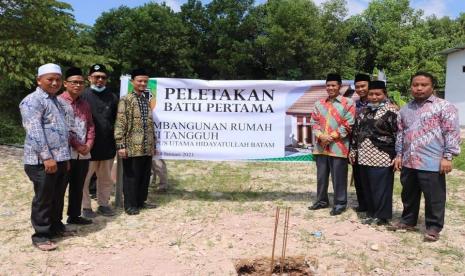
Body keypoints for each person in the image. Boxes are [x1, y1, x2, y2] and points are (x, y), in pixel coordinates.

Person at [393, 72, 460, 241]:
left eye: (424, 85)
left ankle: (433, 227)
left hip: (432, 161)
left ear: (432, 87)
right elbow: (401, 133)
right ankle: (408, 221)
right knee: (408, 194)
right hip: (409, 160)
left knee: (434, 198)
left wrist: (448, 156)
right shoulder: (405, 109)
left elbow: (451, 132)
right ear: (411, 87)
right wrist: (399, 155)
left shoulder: (444, 107)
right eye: (415, 85)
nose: (419, 88)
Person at [20, 63, 72, 251]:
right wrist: (47, 157)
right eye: (50, 79)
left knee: (57, 196)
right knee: (44, 198)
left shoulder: (57, 101)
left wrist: (65, 159)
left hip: (60, 159)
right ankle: (41, 235)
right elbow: (34, 131)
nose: (55, 82)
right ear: (39, 80)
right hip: (41, 161)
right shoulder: (32, 101)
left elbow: (64, 131)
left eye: (58, 79)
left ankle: (56, 226)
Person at [349, 80, 398, 225]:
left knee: (381, 187)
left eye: (378, 94)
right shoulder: (363, 112)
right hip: (364, 155)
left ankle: (382, 216)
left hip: (383, 156)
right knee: (367, 186)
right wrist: (353, 151)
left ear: (385, 94)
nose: (374, 97)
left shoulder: (392, 111)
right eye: (371, 94)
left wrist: (398, 155)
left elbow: (398, 134)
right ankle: (371, 213)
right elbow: (356, 133)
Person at [309, 73, 356, 216]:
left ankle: (340, 203)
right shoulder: (319, 104)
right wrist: (321, 136)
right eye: (328, 85)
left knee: (339, 177)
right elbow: (314, 122)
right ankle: (322, 201)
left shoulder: (348, 103)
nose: (330, 88)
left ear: (339, 86)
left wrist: (331, 136)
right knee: (321, 176)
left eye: (333, 85)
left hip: (339, 146)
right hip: (321, 146)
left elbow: (349, 123)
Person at [115, 68, 157, 215]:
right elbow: (121, 122)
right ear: (133, 82)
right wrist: (121, 144)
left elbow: (150, 124)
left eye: (145, 81)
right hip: (132, 146)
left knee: (144, 176)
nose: (143, 83)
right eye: (140, 81)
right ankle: (130, 205)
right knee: (131, 176)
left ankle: (140, 201)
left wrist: (154, 144)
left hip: (147, 146)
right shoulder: (126, 100)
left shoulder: (145, 100)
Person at [81, 64, 118, 217]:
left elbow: (117, 120)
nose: (100, 80)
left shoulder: (113, 97)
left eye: (103, 77)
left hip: (107, 145)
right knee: (84, 179)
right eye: (96, 77)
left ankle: (103, 204)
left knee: (106, 179)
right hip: (87, 147)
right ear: (89, 78)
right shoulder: (82, 96)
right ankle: (86, 207)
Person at [59, 67, 95, 225]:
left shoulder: (85, 104)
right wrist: (77, 145)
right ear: (65, 83)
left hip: (83, 153)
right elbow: (61, 129)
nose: (78, 85)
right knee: (59, 188)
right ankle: (56, 221)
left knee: (78, 185)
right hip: (65, 153)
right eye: (74, 82)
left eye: (81, 83)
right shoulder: (58, 102)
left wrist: (88, 144)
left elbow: (91, 125)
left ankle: (74, 216)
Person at [351, 73, 371, 213]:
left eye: (363, 86)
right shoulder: (355, 104)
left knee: (371, 178)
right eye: (357, 87)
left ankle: (373, 206)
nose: (360, 89)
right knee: (359, 176)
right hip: (357, 146)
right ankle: (362, 204)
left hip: (374, 147)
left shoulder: (379, 101)